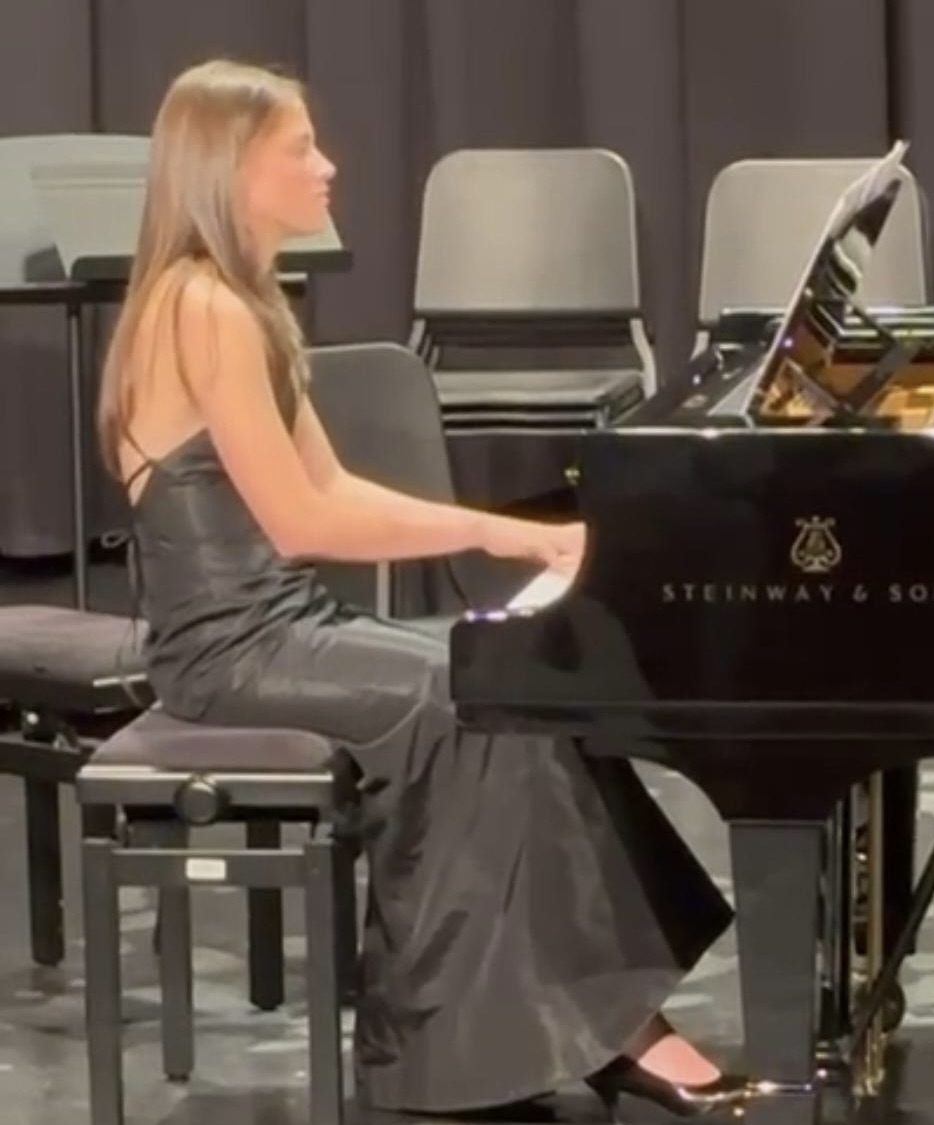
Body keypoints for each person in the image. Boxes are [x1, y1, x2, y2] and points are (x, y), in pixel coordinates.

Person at [97, 59, 746, 1120]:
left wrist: (525, 538)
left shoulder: (241, 303)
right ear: (231, 167)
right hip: (228, 648)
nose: (327, 165)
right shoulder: (202, 308)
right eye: (300, 147)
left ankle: (591, 1021)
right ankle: (486, 1045)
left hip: (280, 622)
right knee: (466, 699)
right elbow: (305, 523)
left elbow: (331, 485)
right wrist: (504, 532)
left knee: (510, 680)